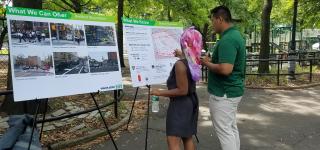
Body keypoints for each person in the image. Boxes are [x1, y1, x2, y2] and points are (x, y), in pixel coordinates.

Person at [201, 6, 246, 150]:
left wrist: (207, 63)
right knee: (230, 128)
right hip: (231, 92)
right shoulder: (234, 35)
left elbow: (226, 69)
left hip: (224, 93)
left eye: (213, 20)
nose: (212, 24)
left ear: (220, 19)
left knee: (225, 132)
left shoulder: (228, 39)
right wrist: (210, 61)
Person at [151, 27, 202, 150]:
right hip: (191, 102)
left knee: (173, 141)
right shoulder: (194, 60)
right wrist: (181, 54)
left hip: (180, 106)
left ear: (183, 43)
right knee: (187, 137)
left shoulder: (180, 65)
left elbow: (182, 90)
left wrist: (159, 92)